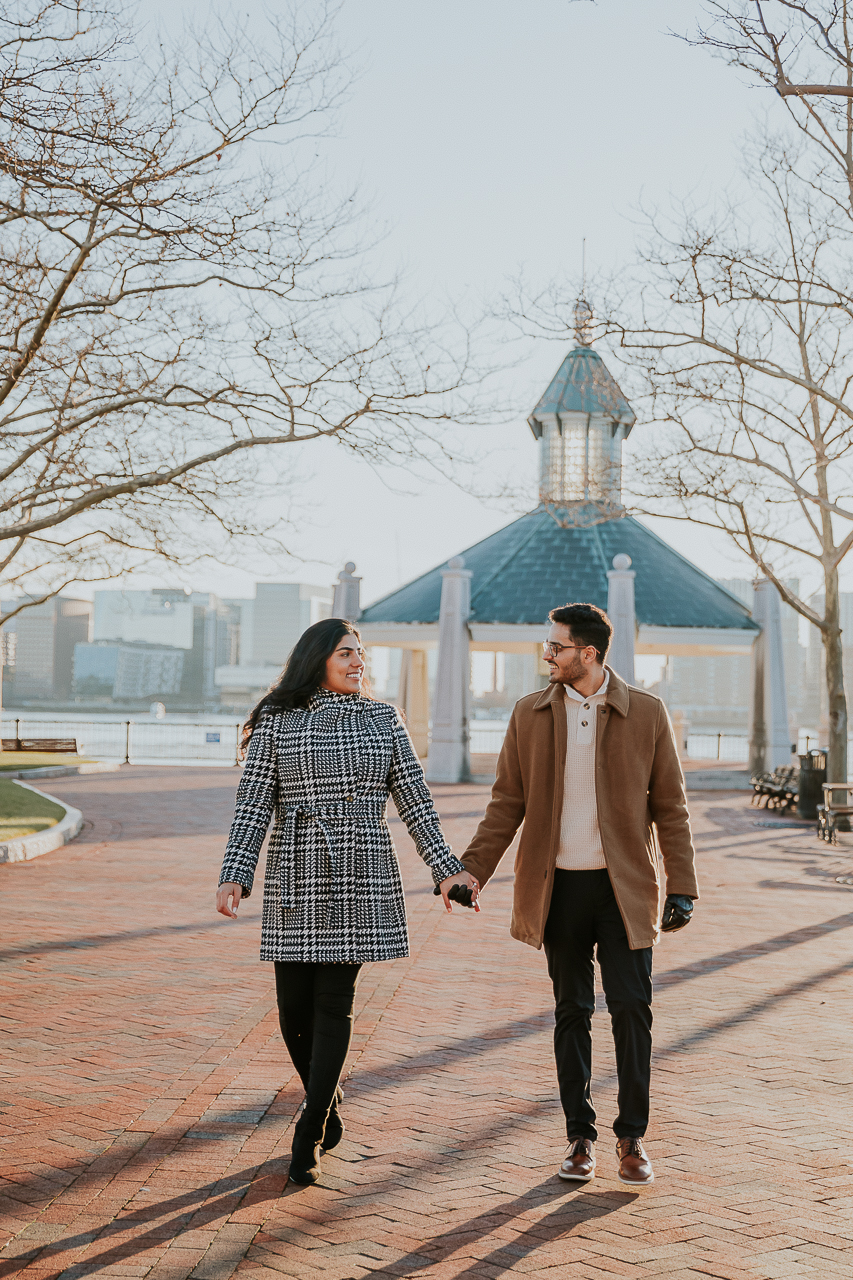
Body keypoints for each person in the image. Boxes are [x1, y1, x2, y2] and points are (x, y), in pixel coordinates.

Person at [216, 618, 479, 1186]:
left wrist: (445, 869)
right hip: (296, 876)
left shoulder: (383, 719)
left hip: (361, 873)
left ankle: (309, 1128)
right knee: (293, 1014)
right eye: (345, 653)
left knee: (334, 1003)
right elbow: (252, 806)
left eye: (361, 653)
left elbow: (415, 800)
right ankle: (327, 1104)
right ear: (318, 659)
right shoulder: (277, 722)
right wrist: (236, 873)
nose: (358, 662)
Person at [459, 603, 698, 1187]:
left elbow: (670, 807)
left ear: (588, 653)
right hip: (558, 888)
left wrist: (683, 886)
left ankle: (632, 1138)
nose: (548, 655)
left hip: (625, 890)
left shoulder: (646, 713)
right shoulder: (530, 715)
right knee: (572, 1012)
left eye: (557, 647)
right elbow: (505, 804)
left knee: (632, 1010)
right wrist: (472, 871)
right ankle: (580, 1138)